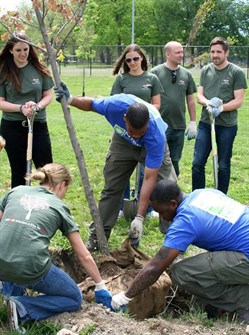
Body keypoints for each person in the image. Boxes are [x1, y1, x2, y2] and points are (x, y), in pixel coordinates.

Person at [54, 85, 177, 251]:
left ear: (147, 124)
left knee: (166, 190)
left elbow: (149, 178)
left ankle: (174, 244)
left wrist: (139, 218)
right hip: (122, 141)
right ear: (124, 118)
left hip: (150, 146)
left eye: (139, 133)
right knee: (112, 187)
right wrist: (70, 100)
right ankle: (98, 237)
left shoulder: (156, 135)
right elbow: (91, 104)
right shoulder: (114, 106)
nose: (135, 136)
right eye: (133, 131)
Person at [111, 179, 249, 325]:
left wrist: (125, 297)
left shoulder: (186, 220)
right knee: (202, 274)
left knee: (183, 272)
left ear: (173, 204)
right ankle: (208, 309)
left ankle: (244, 302)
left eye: (162, 212)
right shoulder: (203, 194)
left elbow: (156, 267)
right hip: (242, 247)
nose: (163, 217)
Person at [0, 163, 112, 333]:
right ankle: (22, 307)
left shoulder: (17, 191)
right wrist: (100, 285)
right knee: (73, 298)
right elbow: (84, 256)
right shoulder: (59, 207)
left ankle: (8, 297)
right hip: (30, 266)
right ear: (62, 184)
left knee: (12, 251)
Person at [111, 43, 164, 218]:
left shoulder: (152, 79)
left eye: (135, 58)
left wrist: (141, 113)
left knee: (146, 172)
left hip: (146, 131)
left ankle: (146, 208)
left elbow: (157, 105)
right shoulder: (121, 80)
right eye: (128, 60)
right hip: (125, 132)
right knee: (122, 171)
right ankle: (121, 206)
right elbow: (114, 104)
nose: (133, 62)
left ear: (141, 57)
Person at [192, 36, 247, 194]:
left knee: (222, 165)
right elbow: (199, 96)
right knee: (197, 163)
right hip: (205, 124)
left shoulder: (236, 72)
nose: (215, 55)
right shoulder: (206, 70)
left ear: (226, 53)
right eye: (212, 52)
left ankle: (221, 199)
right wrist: (208, 103)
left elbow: (239, 101)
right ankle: (198, 199)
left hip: (226, 126)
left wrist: (221, 108)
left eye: (219, 52)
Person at [0, 31, 54, 188]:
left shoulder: (39, 68)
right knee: (19, 171)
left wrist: (36, 107)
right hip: (12, 127)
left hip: (38, 125)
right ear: (10, 50)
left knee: (46, 169)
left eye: (25, 49)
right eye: (18, 50)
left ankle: (47, 206)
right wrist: (21, 108)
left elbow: (48, 95)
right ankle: (19, 208)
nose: (23, 53)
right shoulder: (3, 71)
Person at [151, 41, 197, 177]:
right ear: (168, 54)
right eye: (178, 52)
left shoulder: (186, 74)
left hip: (178, 126)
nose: (181, 55)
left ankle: (172, 191)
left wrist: (193, 122)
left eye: (182, 52)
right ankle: (154, 191)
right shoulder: (155, 73)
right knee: (156, 160)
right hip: (159, 126)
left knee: (175, 160)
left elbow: (190, 99)